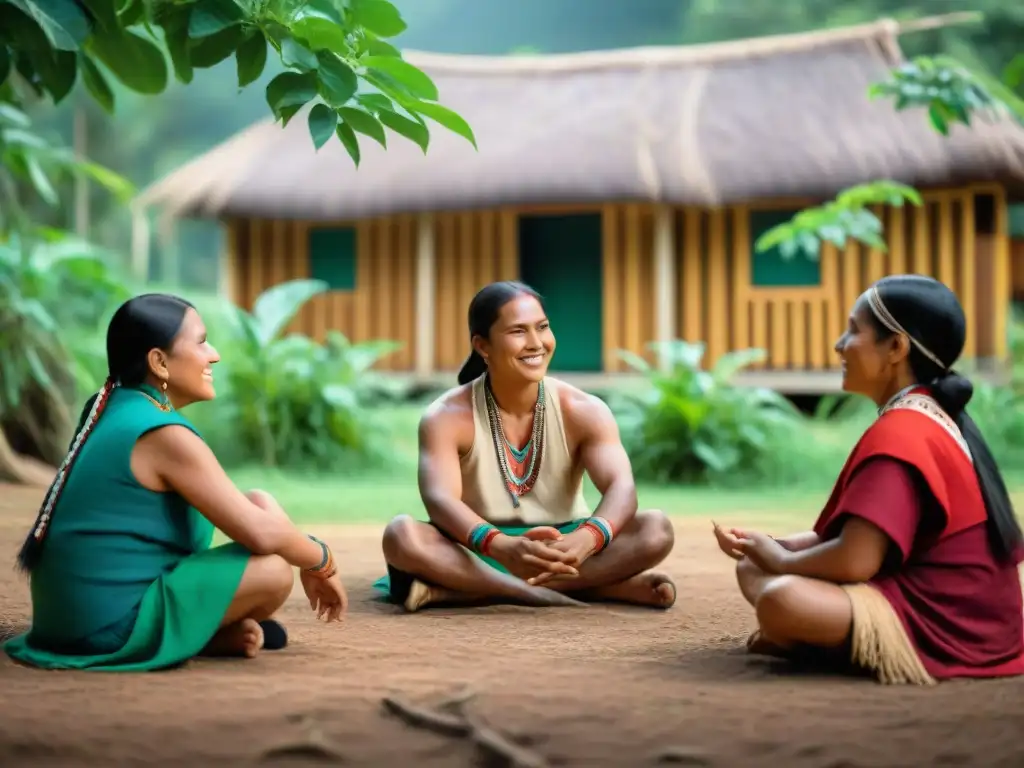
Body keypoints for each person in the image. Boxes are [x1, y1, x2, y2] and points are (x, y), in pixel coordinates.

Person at [4, 293, 348, 672]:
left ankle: (203, 633)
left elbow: (252, 516)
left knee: (258, 501)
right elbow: (263, 537)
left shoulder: (112, 406)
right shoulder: (164, 435)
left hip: (64, 621)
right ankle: (192, 634)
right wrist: (321, 560)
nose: (214, 354)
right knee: (273, 570)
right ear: (159, 362)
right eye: (201, 342)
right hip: (104, 627)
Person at [714, 274, 1024, 685]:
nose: (840, 344)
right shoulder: (922, 414)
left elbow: (856, 559)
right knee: (753, 568)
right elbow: (859, 538)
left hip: (953, 624)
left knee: (781, 599)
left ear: (896, 347)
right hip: (939, 600)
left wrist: (783, 559)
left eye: (854, 330)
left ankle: (816, 643)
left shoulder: (905, 430)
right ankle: (809, 638)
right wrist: (768, 546)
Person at [375, 280, 676, 612]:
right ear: (483, 346)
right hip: (476, 545)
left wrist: (588, 538)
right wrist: (501, 545)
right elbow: (440, 500)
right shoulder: (445, 416)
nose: (536, 343)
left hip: (565, 543)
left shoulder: (584, 410)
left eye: (542, 327)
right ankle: (585, 588)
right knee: (402, 535)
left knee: (654, 529)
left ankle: (465, 590)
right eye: (518, 331)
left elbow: (622, 486)